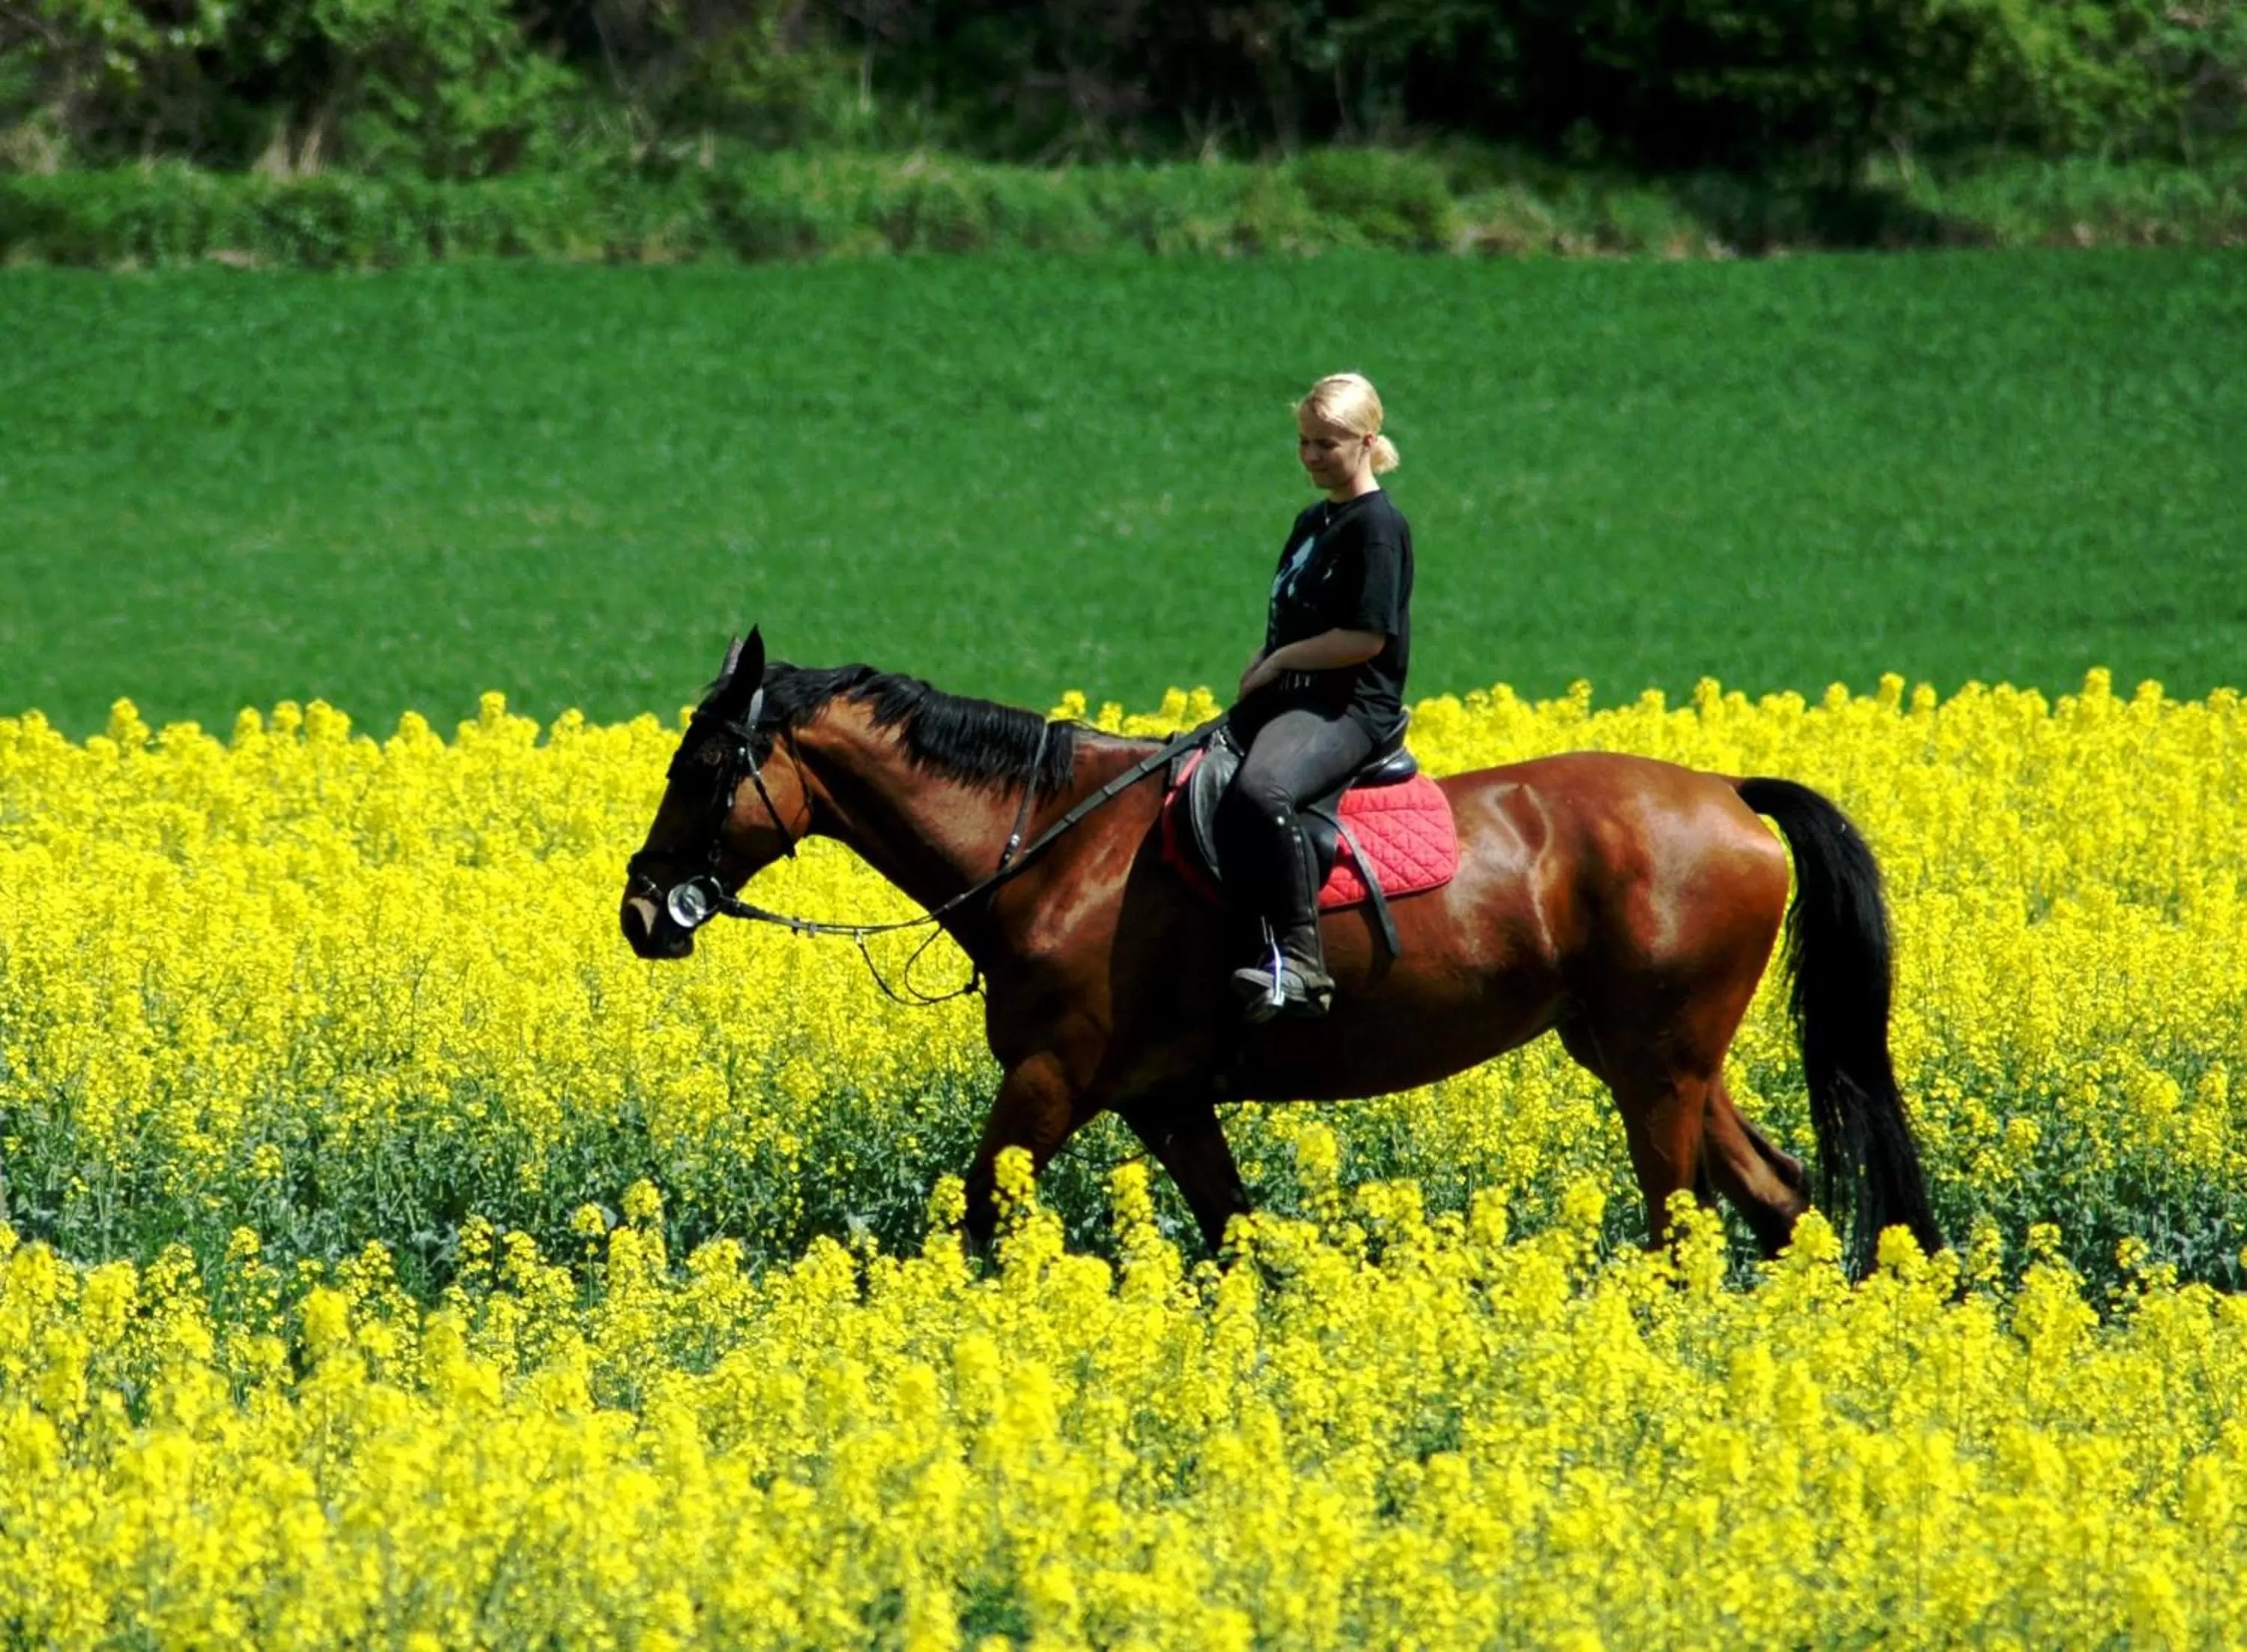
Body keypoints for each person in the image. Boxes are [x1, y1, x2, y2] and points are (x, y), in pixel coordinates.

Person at [1219, 371, 1414, 1021]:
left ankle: (1300, 962)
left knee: (1261, 791)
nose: (1309, 457)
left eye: (1325, 445)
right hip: (1294, 694)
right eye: (1303, 442)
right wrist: (1262, 659)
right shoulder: (1312, 520)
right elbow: (1291, 616)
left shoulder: (1378, 527)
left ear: (1367, 442)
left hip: (1349, 705)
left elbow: (1364, 637)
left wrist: (1280, 661)